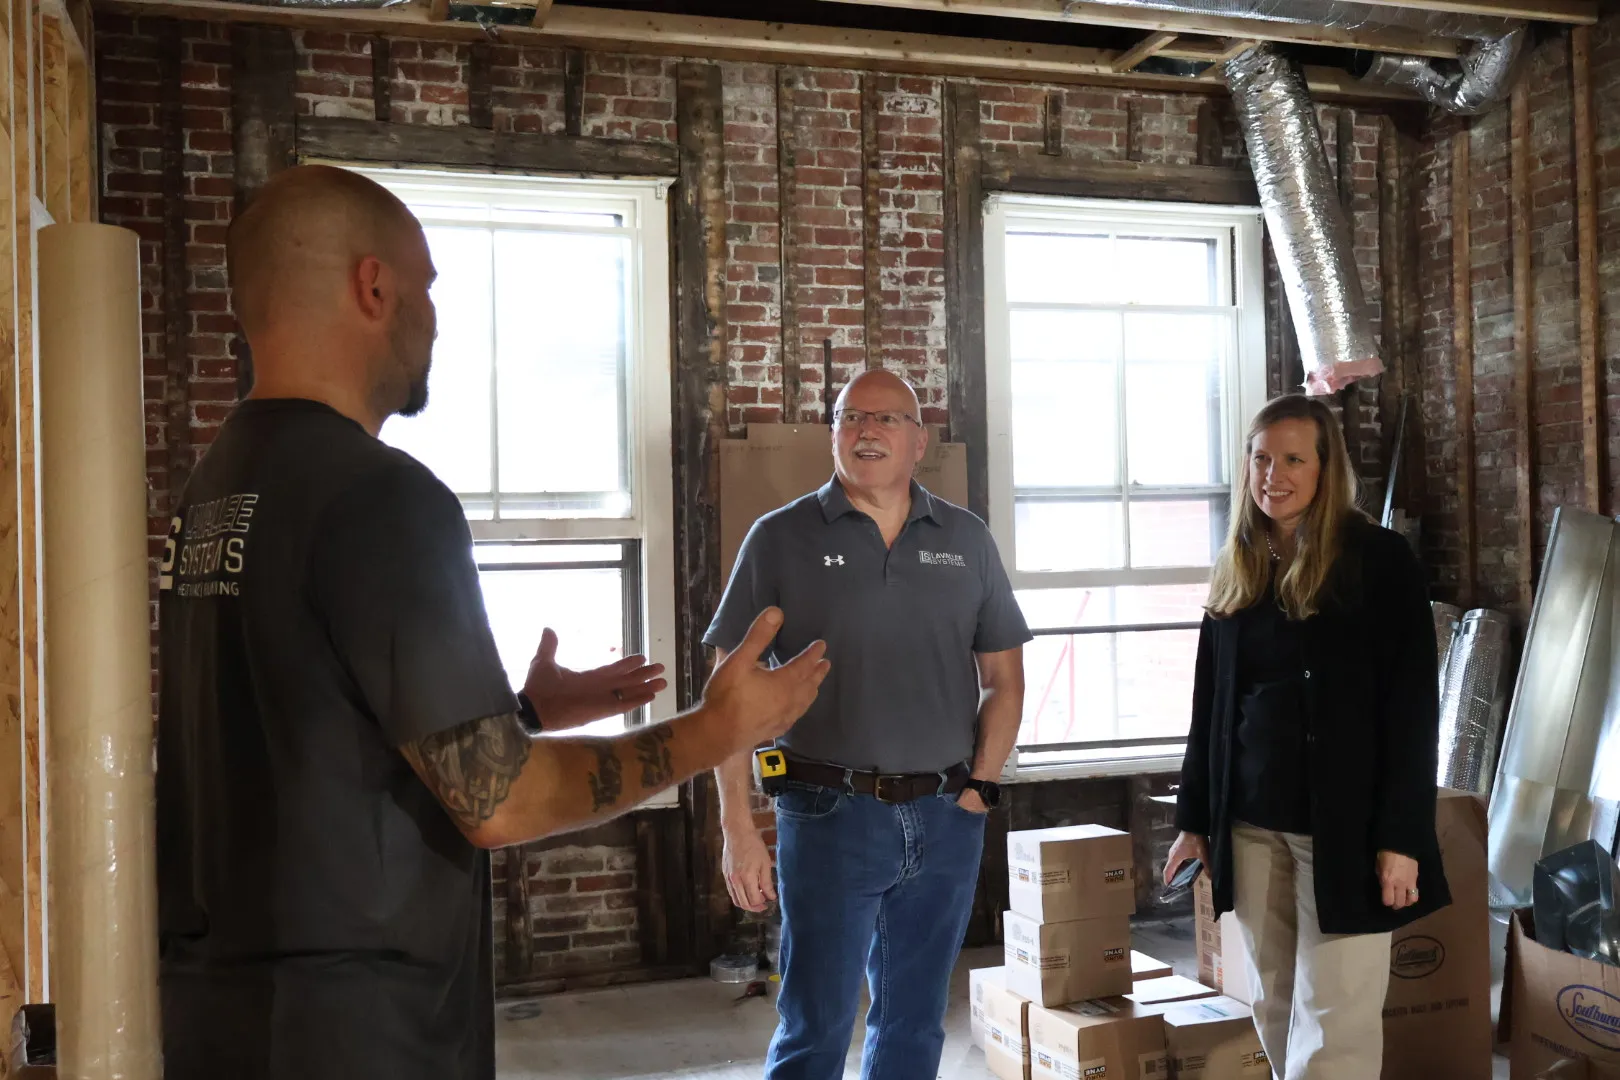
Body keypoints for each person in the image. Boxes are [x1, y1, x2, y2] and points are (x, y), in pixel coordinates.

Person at [156, 164, 832, 1080]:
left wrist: (524, 712)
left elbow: (310, 735)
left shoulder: (220, 483)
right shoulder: (382, 499)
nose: (432, 318)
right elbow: (498, 801)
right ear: (374, 286)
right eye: (427, 288)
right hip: (361, 1032)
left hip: (225, 1021)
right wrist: (719, 727)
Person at [704, 369, 1031, 1080]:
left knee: (914, 1025)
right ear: (834, 436)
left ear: (920, 442)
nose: (867, 430)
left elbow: (1004, 681)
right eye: (851, 418)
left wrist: (981, 787)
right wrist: (736, 827)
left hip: (946, 816)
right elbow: (726, 699)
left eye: (885, 419)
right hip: (827, 815)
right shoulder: (781, 538)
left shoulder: (967, 540)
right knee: (814, 1024)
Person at [1162, 393, 1449, 1080]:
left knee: (1337, 1018)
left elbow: (1413, 711)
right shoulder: (1240, 564)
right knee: (1274, 1001)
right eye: (1261, 459)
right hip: (1252, 825)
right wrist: (1194, 820)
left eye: (1293, 459)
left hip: (1347, 831)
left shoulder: (1378, 561)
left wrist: (1402, 839)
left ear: (1326, 469)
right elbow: (1210, 709)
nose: (1273, 475)